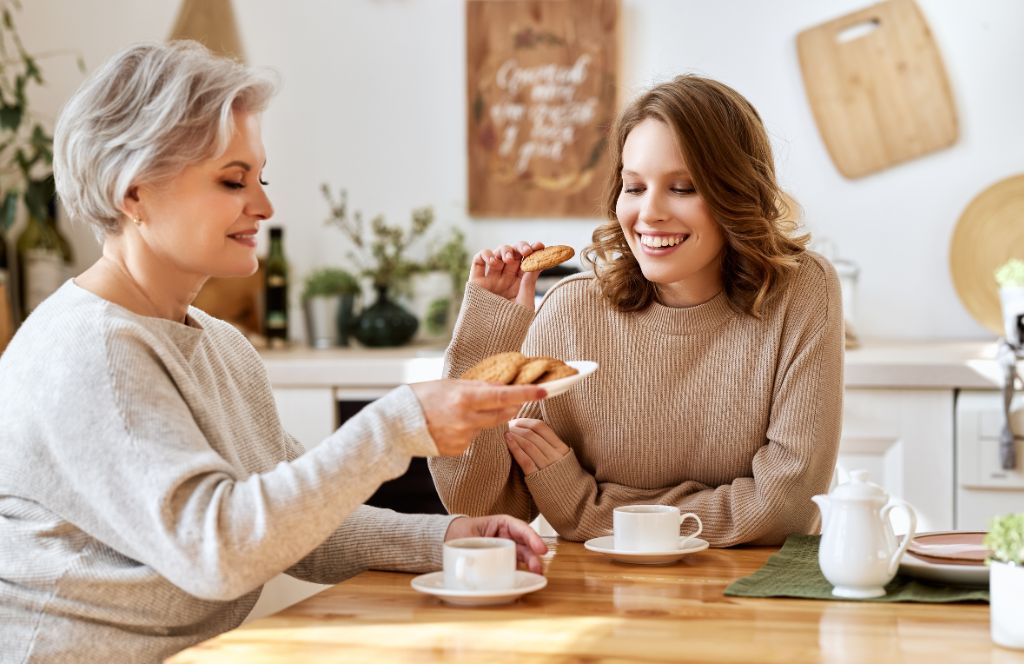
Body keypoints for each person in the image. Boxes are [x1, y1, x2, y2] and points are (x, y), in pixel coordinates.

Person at [0, 41, 548, 664]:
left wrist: (447, 537)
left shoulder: (221, 347)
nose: (263, 206)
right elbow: (221, 549)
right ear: (133, 192)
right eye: (232, 181)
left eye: (259, 178)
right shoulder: (91, 355)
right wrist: (398, 424)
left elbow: (291, 522)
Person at [430, 75, 844, 547]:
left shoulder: (801, 292)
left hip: (751, 595)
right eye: (634, 187)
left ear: (736, 194)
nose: (649, 213)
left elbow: (785, 506)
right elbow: (481, 508)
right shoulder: (572, 310)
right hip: (598, 597)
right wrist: (484, 350)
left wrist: (583, 509)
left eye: (683, 188)